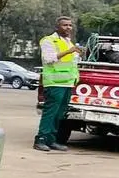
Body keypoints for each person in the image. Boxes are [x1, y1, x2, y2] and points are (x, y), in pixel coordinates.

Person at [36, 16, 84, 152]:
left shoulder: (68, 42)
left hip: (67, 83)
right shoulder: (48, 41)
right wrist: (69, 51)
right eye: (65, 25)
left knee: (59, 114)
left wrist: (79, 54)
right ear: (57, 27)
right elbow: (48, 59)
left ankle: (52, 140)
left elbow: (72, 62)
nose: (68, 27)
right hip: (54, 82)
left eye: (70, 25)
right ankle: (41, 139)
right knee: (50, 113)